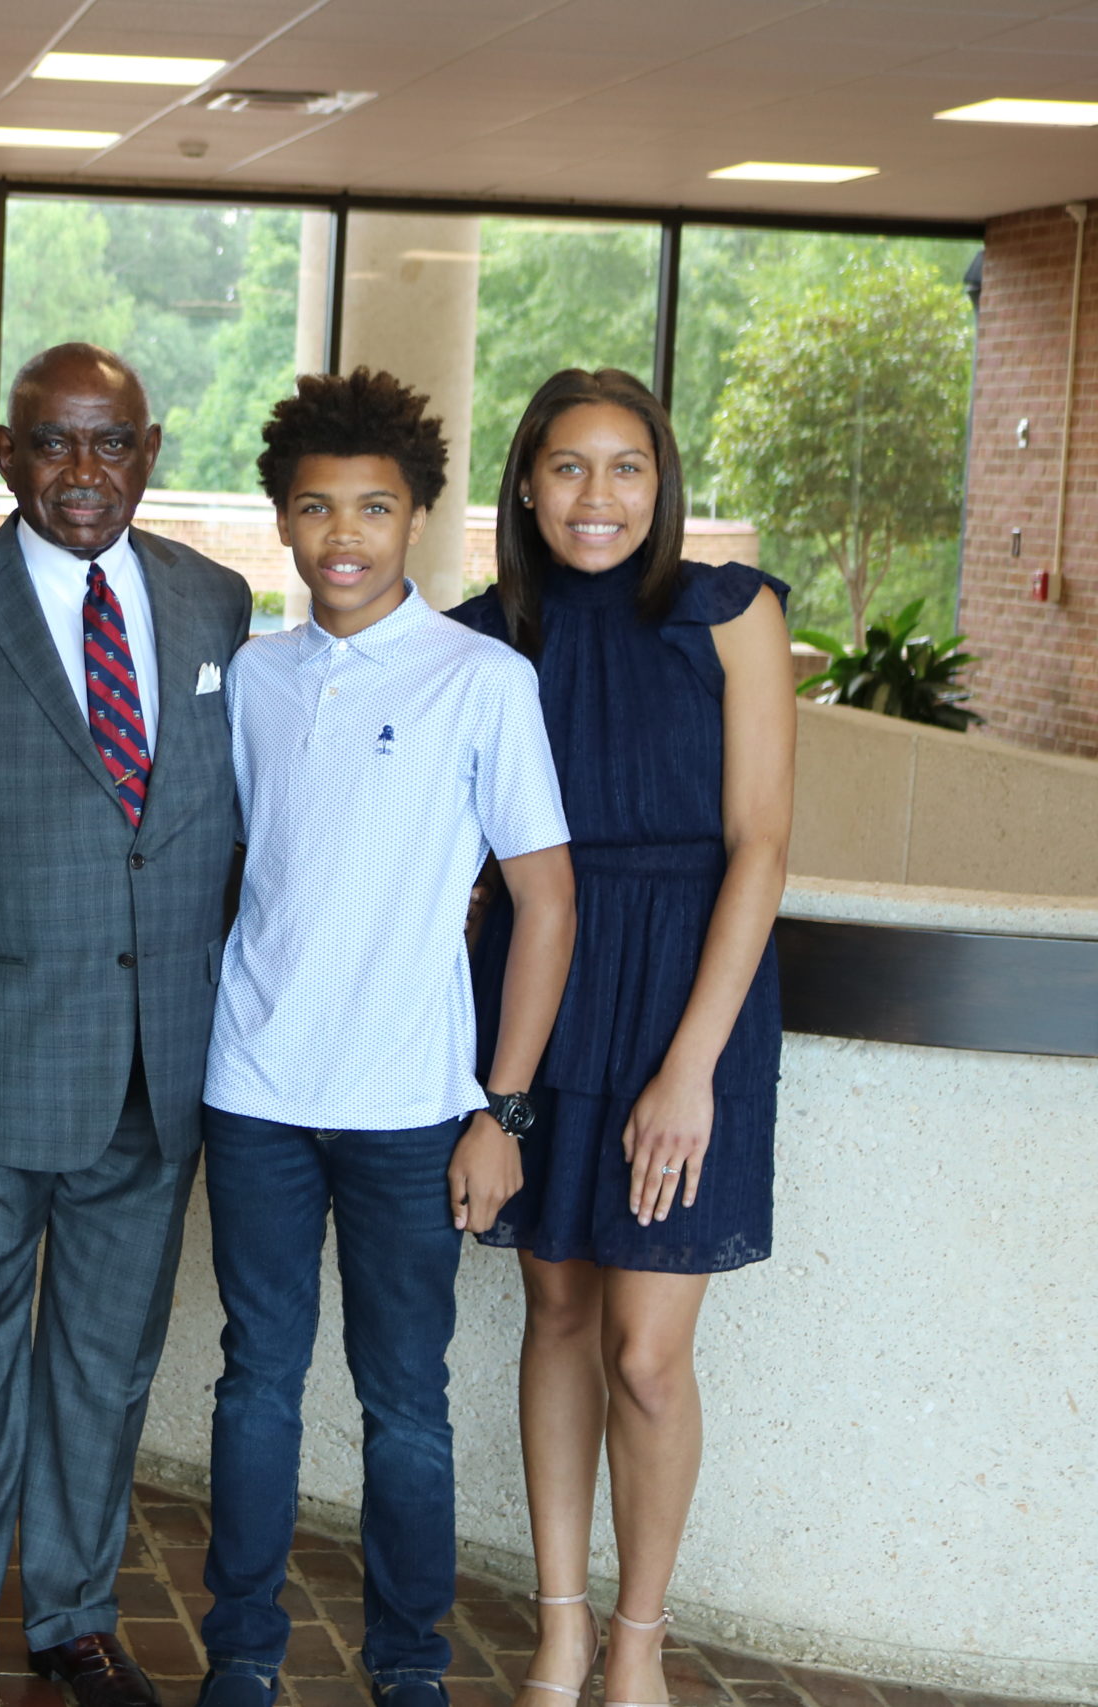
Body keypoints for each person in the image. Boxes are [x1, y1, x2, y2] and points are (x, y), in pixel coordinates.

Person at [0, 344, 254, 1707]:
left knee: (103, 1369)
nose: (86, 471)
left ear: (149, 448)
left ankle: (73, 1618)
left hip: (159, 1074)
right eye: (55, 443)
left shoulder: (216, 606)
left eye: (113, 442)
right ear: (7, 453)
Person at [195, 368, 579, 1707]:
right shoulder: (256, 677)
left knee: (404, 1400)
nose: (342, 533)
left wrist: (503, 1109)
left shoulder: (484, 681)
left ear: (417, 517)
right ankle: (239, 1655)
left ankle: (409, 1665)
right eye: (316, 508)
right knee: (256, 1384)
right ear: (285, 525)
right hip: (253, 1090)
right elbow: (255, 865)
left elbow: (546, 901)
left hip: (417, 1108)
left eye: (372, 506)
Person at [449, 369, 792, 1707]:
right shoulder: (482, 637)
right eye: (570, 468)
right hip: (541, 980)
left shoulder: (733, 614)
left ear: (663, 484)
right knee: (556, 1305)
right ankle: (562, 1628)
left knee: (648, 1354)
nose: (599, 496)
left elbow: (761, 846)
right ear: (527, 486)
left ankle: (640, 1643)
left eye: (626, 468)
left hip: (683, 998)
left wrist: (692, 1068)